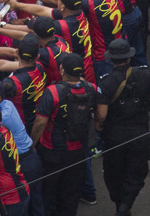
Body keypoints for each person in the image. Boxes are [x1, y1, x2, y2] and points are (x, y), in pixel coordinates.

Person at [96, 38, 150, 216]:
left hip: (114, 135)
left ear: (110, 59)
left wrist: (98, 125)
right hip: (139, 132)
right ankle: (126, 205)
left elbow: (102, 114)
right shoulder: (145, 74)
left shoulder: (106, 81)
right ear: (129, 58)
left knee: (113, 173)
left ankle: (121, 206)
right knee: (137, 171)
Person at [31, 52, 99, 216]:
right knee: (71, 193)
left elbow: (40, 122)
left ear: (62, 70)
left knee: (48, 193)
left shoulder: (53, 92)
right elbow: (99, 114)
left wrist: (32, 144)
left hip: (52, 151)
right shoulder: (91, 88)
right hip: (79, 150)